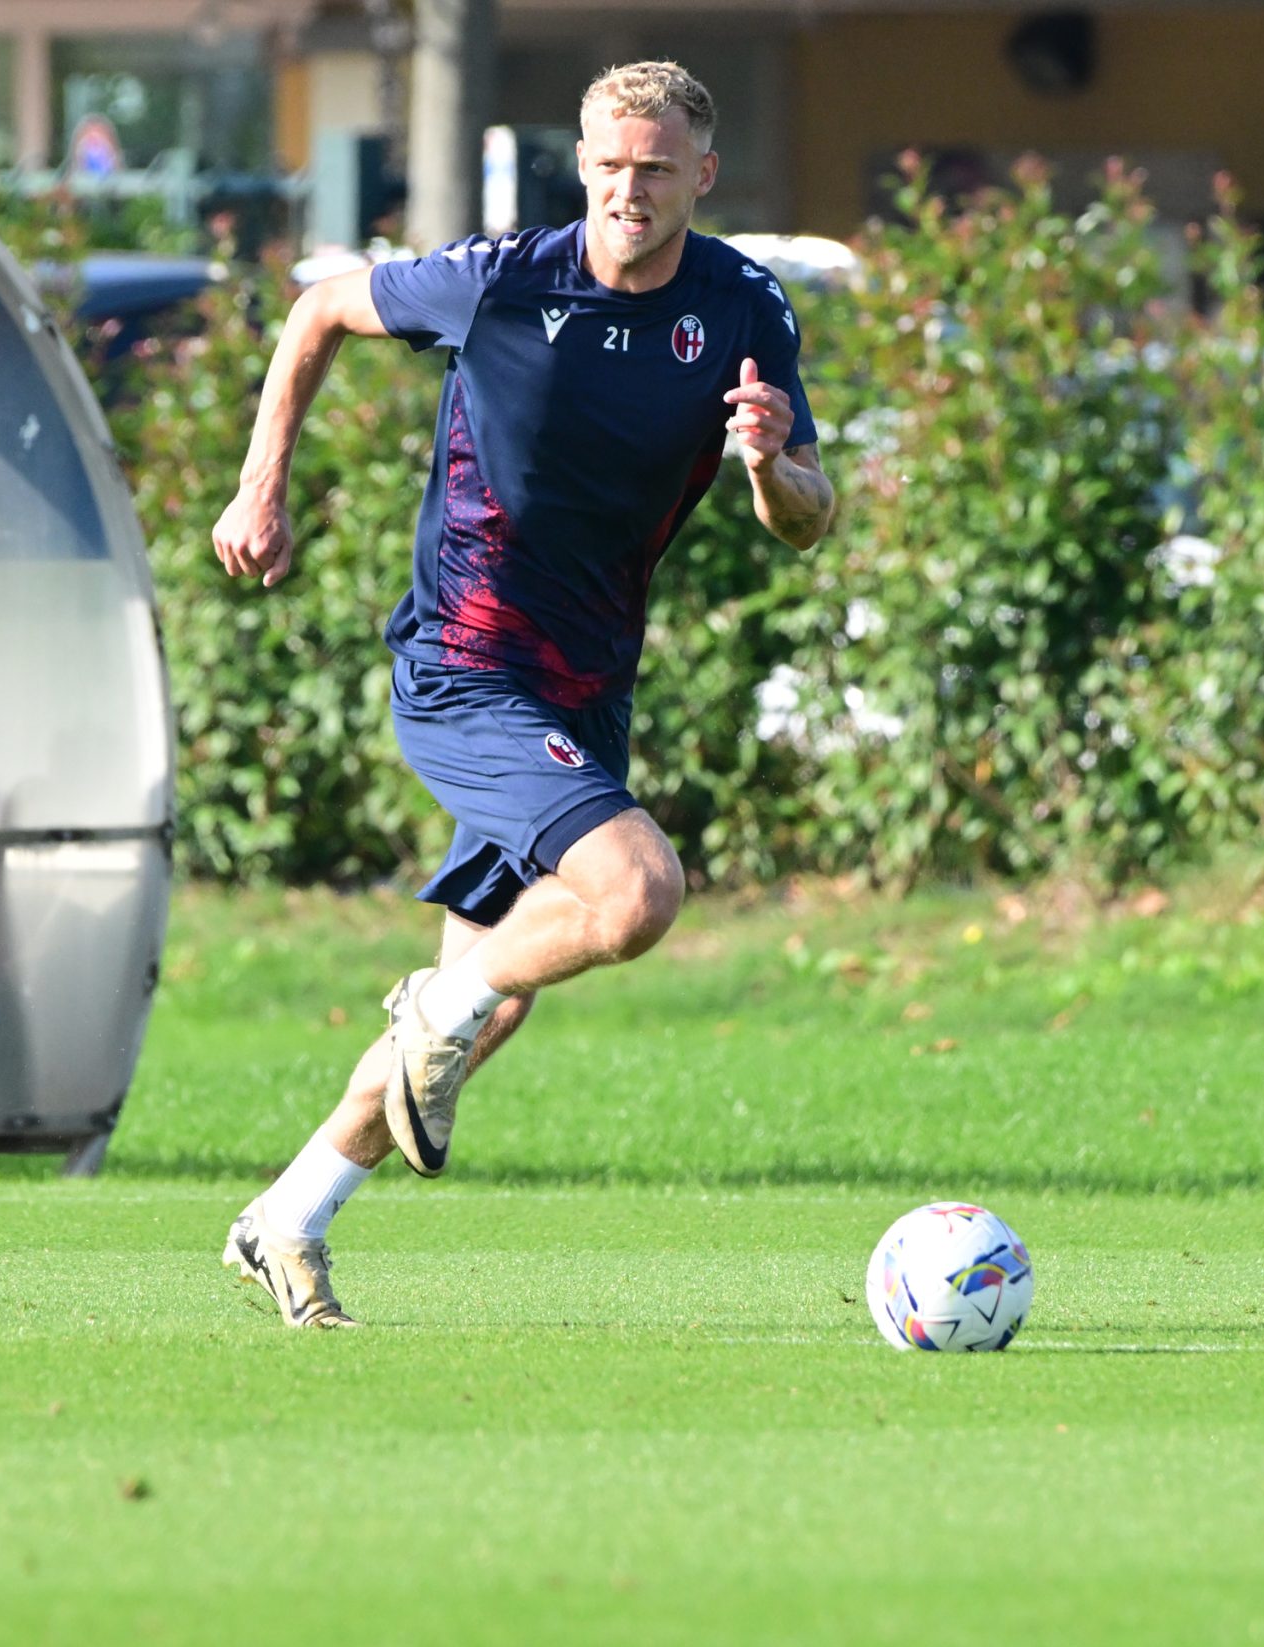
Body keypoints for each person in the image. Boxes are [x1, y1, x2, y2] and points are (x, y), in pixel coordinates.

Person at [210, 61, 835, 1325]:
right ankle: (433, 1003)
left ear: (699, 177)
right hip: (464, 663)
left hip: (587, 684)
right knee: (635, 894)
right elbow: (319, 310)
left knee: (487, 1012)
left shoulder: (744, 306)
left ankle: (288, 1213)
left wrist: (767, 463)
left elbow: (808, 521)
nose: (627, 189)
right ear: (583, 163)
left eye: (655, 169)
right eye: (608, 164)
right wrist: (258, 488)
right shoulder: (503, 278)